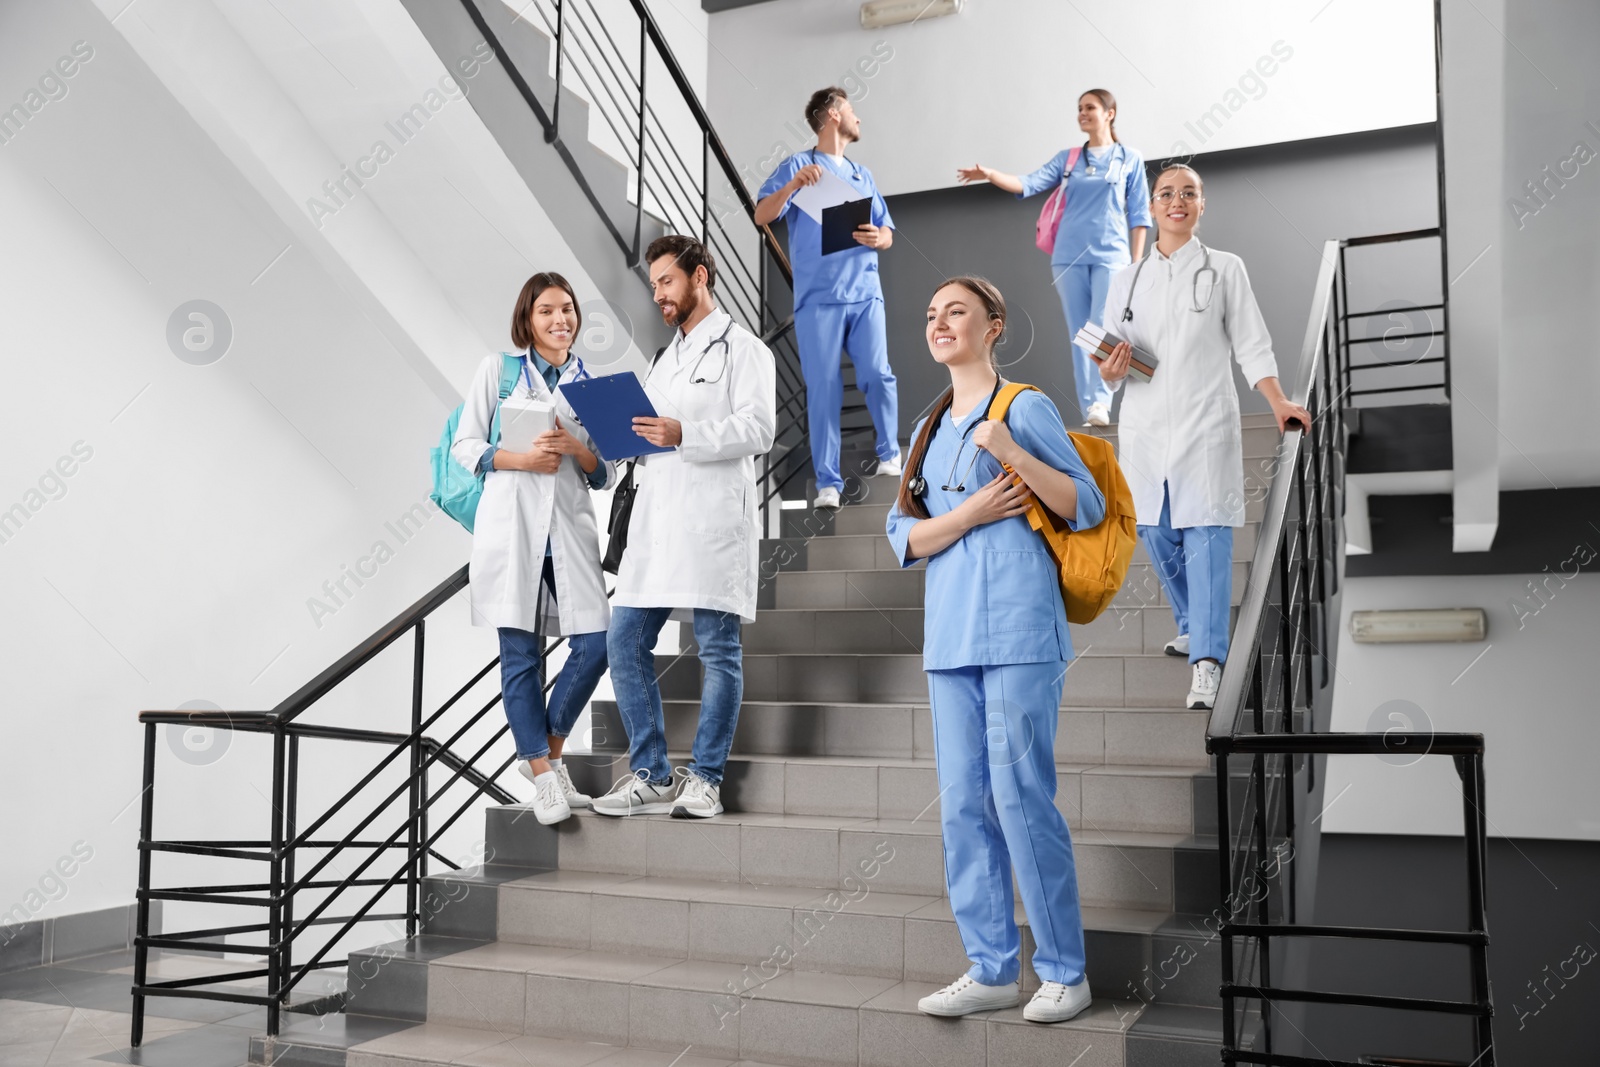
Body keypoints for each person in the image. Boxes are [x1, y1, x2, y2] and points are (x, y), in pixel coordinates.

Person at [885, 276, 1106, 1025]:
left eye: (956, 311)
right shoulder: (926, 428)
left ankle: (1064, 971)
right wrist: (976, 509)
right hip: (949, 640)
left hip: (1017, 632)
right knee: (964, 811)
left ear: (993, 325)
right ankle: (989, 968)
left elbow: (1086, 504)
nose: (939, 322)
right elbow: (903, 538)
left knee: (1017, 797)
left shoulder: (1025, 406)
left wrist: (1010, 450)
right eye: (931, 313)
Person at [1100, 164, 1310, 709]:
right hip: (1146, 427)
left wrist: (1278, 400)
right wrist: (1111, 372)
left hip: (1205, 423)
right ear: (1152, 207)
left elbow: (1251, 342)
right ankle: (1194, 622)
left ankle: (1209, 664)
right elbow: (1111, 356)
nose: (1177, 201)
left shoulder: (1224, 269)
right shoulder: (1128, 279)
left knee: (1207, 542)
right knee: (1154, 531)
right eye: (1166, 193)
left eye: (1188, 193)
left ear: (1201, 205)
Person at [595, 235, 777, 819]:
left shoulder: (743, 350)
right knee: (624, 639)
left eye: (667, 282)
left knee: (718, 649)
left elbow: (759, 430)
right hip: (656, 524)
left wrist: (686, 435)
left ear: (699, 277)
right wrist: (613, 437)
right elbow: (650, 434)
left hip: (711, 522)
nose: (658, 295)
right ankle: (650, 772)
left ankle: (706, 779)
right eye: (653, 286)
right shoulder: (662, 358)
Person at [451, 272, 616, 826]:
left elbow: (607, 474)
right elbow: (464, 446)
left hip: (568, 531)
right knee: (519, 656)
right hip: (513, 532)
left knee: (597, 643)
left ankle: (545, 752)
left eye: (567, 309)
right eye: (546, 311)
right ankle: (544, 775)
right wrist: (521, 460)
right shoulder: (496, 372)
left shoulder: (594, 385)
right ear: (528, 319)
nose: (559, 320)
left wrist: (578, 450)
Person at [957, 88, 1151, 428]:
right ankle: (1091, 406)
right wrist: (990, 174)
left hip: (1112, 255)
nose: (1082, 113)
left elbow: (1139, 215)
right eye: (1079, 108)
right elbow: (1027, 183)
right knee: (1081, 332)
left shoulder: (1129, 158)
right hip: (1068, 258)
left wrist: (1136, 264)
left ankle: (1102, 399)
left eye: (1090, 107)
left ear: (1110, 113)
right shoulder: (1070, 158)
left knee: (1102, 326)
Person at [756, 86, 900, 510]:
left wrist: (880, 237)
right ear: (834, 115)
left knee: (877, 374)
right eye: (852, 111)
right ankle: (828, 484)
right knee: (823, 390)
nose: (859, 119)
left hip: (864, 292)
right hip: (818, 299)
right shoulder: (798, 165)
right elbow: (762, 214)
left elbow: (886, 231)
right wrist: (793, 187)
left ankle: (891, 455)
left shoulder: (864, 175)